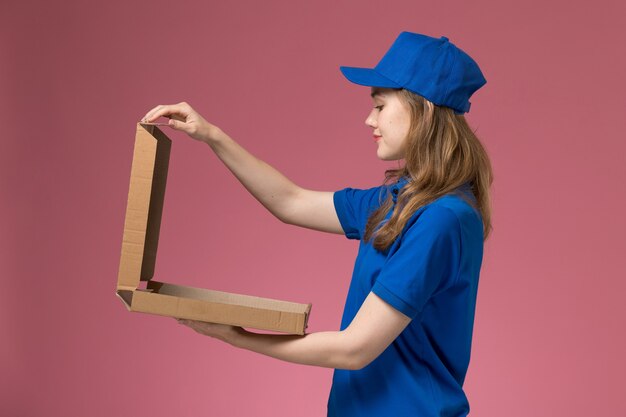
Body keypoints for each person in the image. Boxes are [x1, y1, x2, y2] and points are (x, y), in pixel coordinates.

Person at [141, 31, 492, 417]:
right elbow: (290, 201)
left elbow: (354, 348)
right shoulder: (397, 201)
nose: (368, 119)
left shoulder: (441, 218)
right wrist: (211, 135)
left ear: (422, 109)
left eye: (379, 106)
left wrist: (239, 338)